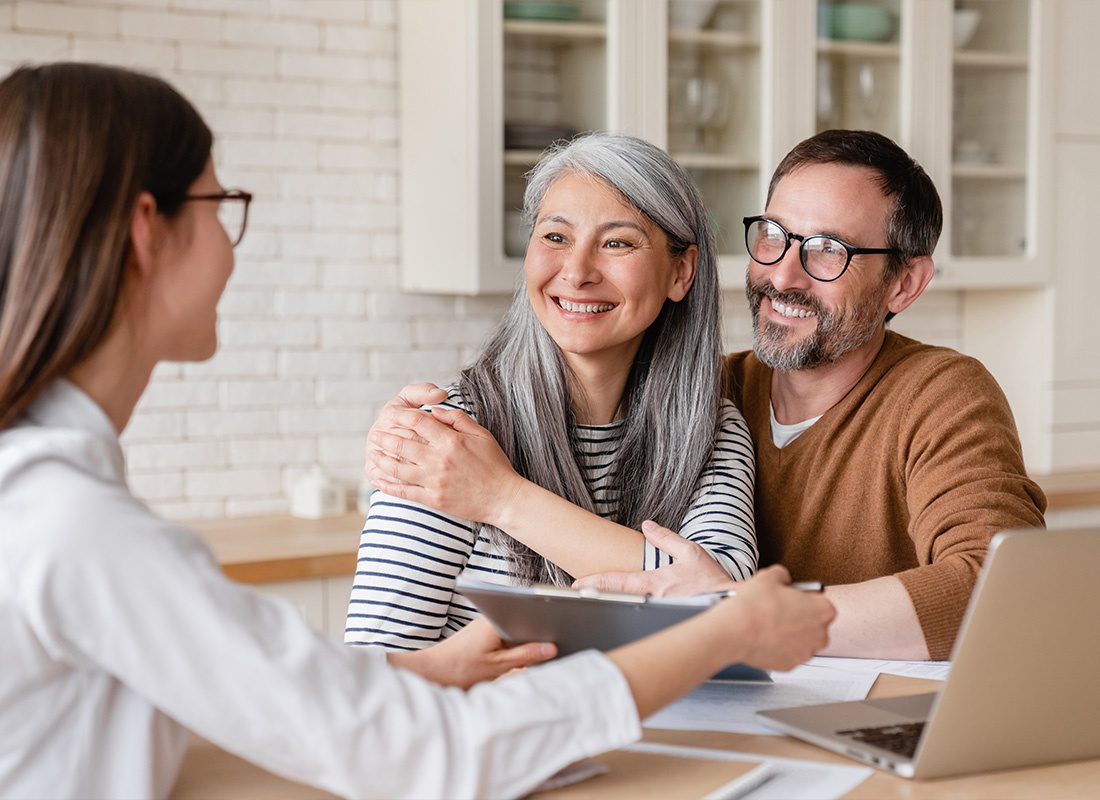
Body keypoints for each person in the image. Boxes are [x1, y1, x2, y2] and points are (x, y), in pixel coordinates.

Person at [0, 62, 835, 799]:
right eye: (223, 205)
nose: (230, 244)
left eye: (617, 242)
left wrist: (418, 664)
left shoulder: (56, 510)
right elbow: (414, 750)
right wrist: (725, 626)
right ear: (147, 232)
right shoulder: (79, 530)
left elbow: (287, 699)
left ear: (682, 268)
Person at [376, 130, 1046, 663]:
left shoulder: (935, 396)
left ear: (904, 285)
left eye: (827, 251)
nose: (783, 274)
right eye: (774, 237)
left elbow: (1004, 592)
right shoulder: (713, 394)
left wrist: (741, 611)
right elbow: (374, 667)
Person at [348, 132, 757, 651]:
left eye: (617, 242)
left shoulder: (710, 427)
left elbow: (722, 602)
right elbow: (377, 671)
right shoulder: (449, 439)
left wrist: (502, 497)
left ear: (681, 272)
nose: (577, 272)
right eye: (556, 237)